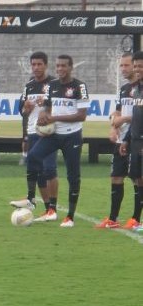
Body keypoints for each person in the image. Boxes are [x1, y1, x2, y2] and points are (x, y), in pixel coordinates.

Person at [27, 54, 90, 228]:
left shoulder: (80, 86)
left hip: (72, 136)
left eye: (64, 66)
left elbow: (81, 116)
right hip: (53, 135)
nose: (60, 69)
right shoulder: (51, 85)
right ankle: (46, 205)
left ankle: (70, 216)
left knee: (73, 176)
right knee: (33, 157)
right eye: (58, 66)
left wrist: (53, 117)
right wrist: (43, 115)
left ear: (71, 67)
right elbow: (47, 108)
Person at [10, 51, 60, 222]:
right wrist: (27, 107)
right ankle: (44, 207)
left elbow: (62, 107)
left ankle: (52, 208)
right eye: (33, 64)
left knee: (49, 169)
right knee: (37, 171)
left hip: (49, 132)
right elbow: (22, 111)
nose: (36, 67)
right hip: (32, 132)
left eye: (39, 64)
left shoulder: (55, 84)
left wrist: (46, 104)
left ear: (46, 65)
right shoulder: (29, 86)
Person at [96, 53, 139, 229]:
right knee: (116, 177)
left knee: (138, 178)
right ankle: (113, 219)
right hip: (121, 139)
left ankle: (135, 219)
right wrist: (113, 127)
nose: (123, 69)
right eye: (121, 66)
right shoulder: (123, 89)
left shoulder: (141, 88)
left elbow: (139, 115)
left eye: (126, 65)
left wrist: (124, 120)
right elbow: (117, 112)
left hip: (137, 139)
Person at [119, 51, 143, 231]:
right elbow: (135, 118)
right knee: (137, 178)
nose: (138, 69)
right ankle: (136, 218)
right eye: (136, 66)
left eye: (140, 66)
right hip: (135, 141)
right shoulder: (136, 89)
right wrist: (126, 139)